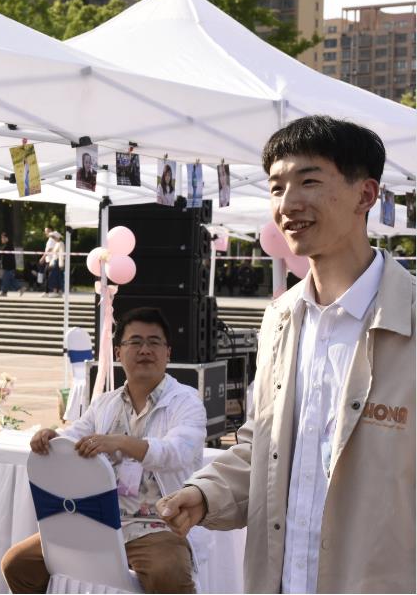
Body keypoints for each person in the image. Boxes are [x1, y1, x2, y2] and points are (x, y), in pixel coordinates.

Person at [157, 116, 416, 593]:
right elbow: (266, 445)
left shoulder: (410, 321)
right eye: (276, 188)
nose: (287, 204)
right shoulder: (280, 318)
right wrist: (207, 494)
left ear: (365, 195)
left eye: (309, 181)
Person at [2, 307, 206, 593]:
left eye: (154, 342)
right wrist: (53, 438)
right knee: (18, 564)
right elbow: (74, 437)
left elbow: (178, 452)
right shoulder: (105, 403)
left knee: (167, 573)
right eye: (135, 342)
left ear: (168, 353)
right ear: (119, 352)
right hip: (98, 521)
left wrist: (121, 442)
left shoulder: (186, 401)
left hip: (158, 525)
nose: (145, 350)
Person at [0, 232, 22, 297]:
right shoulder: (8, 245)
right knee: (10, 279)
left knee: (5, 279)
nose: (1, 239)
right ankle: (20, 288)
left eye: (2, 238)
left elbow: (1, 252)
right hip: (9, 266)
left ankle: (4, 292)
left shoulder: (8, 246)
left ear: (6, 238)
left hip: (8, 266)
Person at [46, 231, 65, 297]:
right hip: (55, 261)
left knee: (57, 277)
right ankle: (56, 291)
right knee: (54, 277)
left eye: (54, 237)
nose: (53, 238)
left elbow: (61, 254)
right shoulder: (57, 243)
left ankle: (58, 292)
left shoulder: (61, 243)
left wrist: (61, 264)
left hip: (58, 262)